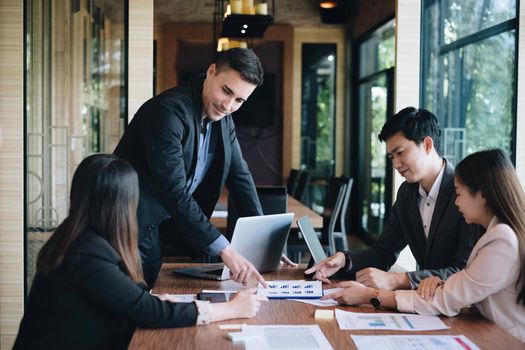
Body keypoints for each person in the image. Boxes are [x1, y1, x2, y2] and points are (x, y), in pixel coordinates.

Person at [13, 154, 263, 349]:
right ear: (124, 204)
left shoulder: (78, 238)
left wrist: (153, 302)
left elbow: (129, 301)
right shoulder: (86, 252)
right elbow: (145, 311)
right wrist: (230, 309)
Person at [114, 48, 279, 289]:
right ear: (211, 71)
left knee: (159, 295)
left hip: (164, 226)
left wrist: (266, 243)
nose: (228, 105)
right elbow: (173, 190)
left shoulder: (225, 120)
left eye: (239, 100)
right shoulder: (167, 111)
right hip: (127, 224)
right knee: (133, 305)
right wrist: (225, 248)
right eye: (226, 91)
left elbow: (240, 177)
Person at [322, 149, 525, 341]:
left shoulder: (501, 240)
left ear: (482, 195)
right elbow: (470, 284)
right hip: (485, 331)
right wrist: (441, 283)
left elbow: (449, 298)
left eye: (459, 194)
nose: (456, 202)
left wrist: (370, 295)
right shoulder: (497, 232)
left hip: (504, 340)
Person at [306, 107, 477, 290]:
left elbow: (464, 271)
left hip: (463, 308)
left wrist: (397, 280)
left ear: (427, 145)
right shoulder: (407, 193)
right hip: (426, 304)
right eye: (391, 157)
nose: (396, 164)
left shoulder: (466, 191)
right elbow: (383, 252)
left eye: (401, 152)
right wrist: (344, 260)